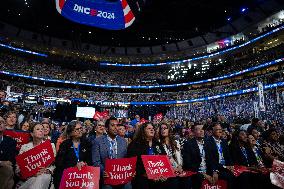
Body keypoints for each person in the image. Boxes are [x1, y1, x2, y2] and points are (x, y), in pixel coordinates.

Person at [16, 122, 56, 189]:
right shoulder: (24, 147)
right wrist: (31, 173)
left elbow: (54, 165)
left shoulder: (51, 146)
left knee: (42, 177)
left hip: (45, 176)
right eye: (38, 129)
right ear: (32, 134)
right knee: (36, 179)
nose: (41, 130)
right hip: (28, 179)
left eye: (42, 129)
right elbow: (18, 169)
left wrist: (48, 170)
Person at [92, 117, 129, 189]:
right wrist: (104, 172)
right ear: (106, 129)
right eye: (112, 125)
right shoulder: (98, 141)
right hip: (106, 176)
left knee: (128, 185)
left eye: (117, 125)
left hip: (120, 175)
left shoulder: (123, 141)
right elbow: (96, 162)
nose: (116, 128)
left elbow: (126, 159)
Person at [54, 121, 92, 189]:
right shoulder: (65, 144)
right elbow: (59, 162)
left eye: (81, 128)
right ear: (71, 132)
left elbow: (90, 159)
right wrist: (74, 165)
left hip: (84, 175)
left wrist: (85, 163)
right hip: (68, 175)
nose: (80, 130)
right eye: (77, 129)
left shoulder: (87, 143)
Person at [127, 122, 166, 189]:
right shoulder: (135, 144)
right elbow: (131, 163)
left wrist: (163, 173)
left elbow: (164, 159)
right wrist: (146, 173)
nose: (152, 130)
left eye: (153, 128)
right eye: (149, 128)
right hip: (142, 179)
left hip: (158, 180)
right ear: (143, 131)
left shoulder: (158, 144)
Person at [182, 124, 217, 189]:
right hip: (196, 172)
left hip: (208, 170)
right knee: (199, 178)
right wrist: (203, 174)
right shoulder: (188, 144)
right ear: (193, 132)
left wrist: (215, 171)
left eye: (202, 129)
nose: (201, 131)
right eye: (199, 129)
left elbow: (213, 159)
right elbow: (188, 164)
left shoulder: (208, 143)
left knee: (227, 176)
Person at [207, 123, 235, 189]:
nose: (220, 131)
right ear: (212, 131)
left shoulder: (224, 141)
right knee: (230, 177)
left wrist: (231, 165)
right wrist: (224, 167)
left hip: (225, 167)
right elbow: (210, 159)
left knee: (240, 175)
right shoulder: (207, 141)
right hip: (215, 168)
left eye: (221, 129)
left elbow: (228, 156)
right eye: (217, 129)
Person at [0, 116, 17, 189]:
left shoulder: (11, 141)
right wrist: (0, 162)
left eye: (2, 122)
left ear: (5, 126)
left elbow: (10, 161)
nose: (0, 123)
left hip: (3, 170)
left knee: (8, 169)